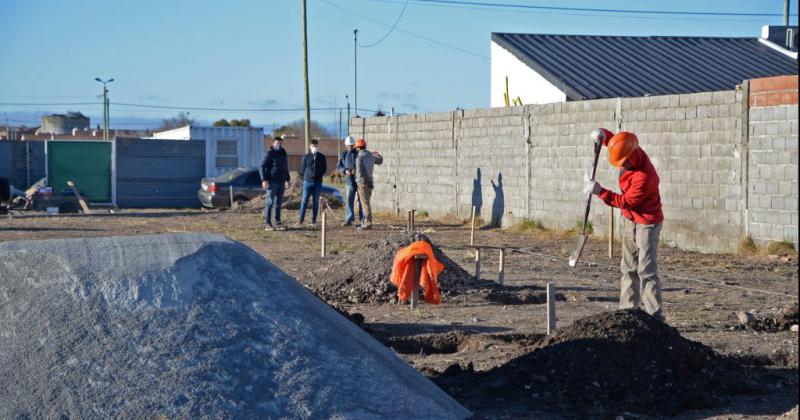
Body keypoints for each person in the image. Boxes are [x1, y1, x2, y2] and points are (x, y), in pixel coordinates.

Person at [584, 128, 664, 317]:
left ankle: (655, 316)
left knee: (646, 269)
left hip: (647, 222)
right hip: (631, 219)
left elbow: (624, 201)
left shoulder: (644, 177)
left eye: (623, 162)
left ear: (631, 156)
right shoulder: (629, 149)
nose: (621, 166)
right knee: (628, 266)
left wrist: (600, 191)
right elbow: (615, 142)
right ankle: (628, 310)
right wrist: (601, 134)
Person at [260, 136, 290, 231]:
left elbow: (286, 167)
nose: (278, 145)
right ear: (273, 143)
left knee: (278, 203)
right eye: (277, 143)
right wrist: (264, 179)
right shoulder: (270, 153)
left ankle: (278, 223)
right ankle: (268, 224)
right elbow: (261, 166)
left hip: (281, 182)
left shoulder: (283, 153)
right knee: (270, 202)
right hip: (272, 181)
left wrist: (288, 179)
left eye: (280, 143)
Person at [354, 138, 383, 230]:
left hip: (362, 183)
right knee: (366, 203)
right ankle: (364, 221)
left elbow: (359, 172)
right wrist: (377, 154)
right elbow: (380, 161)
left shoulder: (359, 157)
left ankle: (368, 223)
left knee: (365, 203)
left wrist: (357, 181)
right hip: (370, 182)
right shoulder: (371, 156)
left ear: (358, 148)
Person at [298, 138, 327, 227]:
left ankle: (313, 221)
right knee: (304, 201)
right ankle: (301, 220)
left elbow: (324, 169)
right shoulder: (306, 157)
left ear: (318, 146)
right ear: (310, 147)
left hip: (318, 182)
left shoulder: (322, 157)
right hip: (307, 182)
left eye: (316, 146)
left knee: (315, 202)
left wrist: (319, 175)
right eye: (313, 146)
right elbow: (302, 169)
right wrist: (307, 175)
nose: (315, 147)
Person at [336, 135, 363, 226]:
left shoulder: (359, 153)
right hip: (349, 181)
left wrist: (356, 170)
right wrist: (344, 170)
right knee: (349, 201)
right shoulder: (343, 154)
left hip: (359, 181)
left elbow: (363, 165)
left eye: (352, 145)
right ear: (346, 145)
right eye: (349, 145)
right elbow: (339, 166)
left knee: (361, 202)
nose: (350, 147)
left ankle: (362, 220)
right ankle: (349, 219)